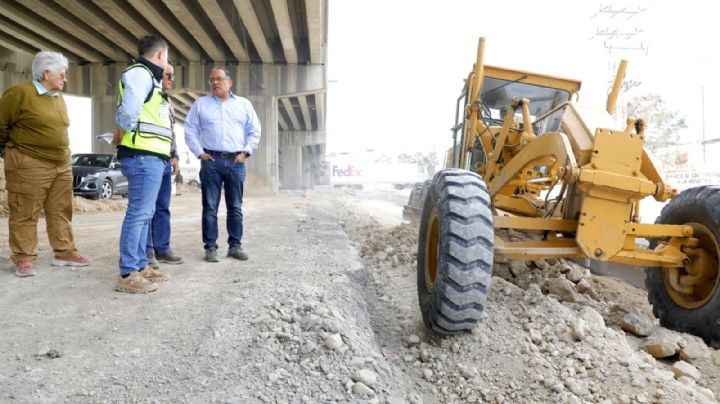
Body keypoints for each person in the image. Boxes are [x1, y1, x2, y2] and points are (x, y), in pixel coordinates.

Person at [0, 51, 90, 277]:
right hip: (29, 162)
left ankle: (64, 252)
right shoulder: (20, 93)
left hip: (61, 163)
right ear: (46, 73)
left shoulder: (57, 97)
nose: (65, 79)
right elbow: (1, 125)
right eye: (62, 74)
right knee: (25, 211)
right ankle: (23, 257)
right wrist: (10, 153)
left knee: (61, 210)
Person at [184, 67, 261, 263]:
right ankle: (210, 247)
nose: (215, 83)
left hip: (236, 161)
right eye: (211, 80)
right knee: (210, 206)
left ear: (229, 82)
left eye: (219, 79)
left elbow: (254, 130)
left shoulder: (243, 105)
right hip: (211, 161)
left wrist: (246, 152)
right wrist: (199, 152)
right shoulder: (201, 104)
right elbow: (190, 129)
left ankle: (235, 246)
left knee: (235, 206)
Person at [114, 35, 172, 293]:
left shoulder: (151, 79)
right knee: (138, 214)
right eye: (167, 57)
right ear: (160, 55)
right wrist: (122, 129)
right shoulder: (140, 73)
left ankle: (139, 266)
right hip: (141, 154)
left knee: (145, 214)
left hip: (151, 155)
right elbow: (129, 110)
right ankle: (128, 273)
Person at [146, 63, 184, 269]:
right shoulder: (147, 95)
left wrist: (175, 155)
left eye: (173, 76)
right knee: (147, 208)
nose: (171, 79)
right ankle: (148, 251)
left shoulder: (168, 101)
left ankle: (162, 248)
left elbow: (171, 130)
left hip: (165, 160)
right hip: (150, 158)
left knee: (162, 207)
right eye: (168, 75)